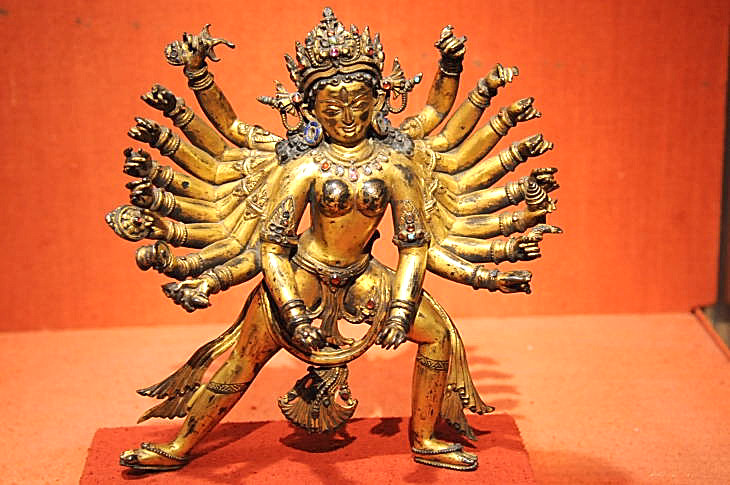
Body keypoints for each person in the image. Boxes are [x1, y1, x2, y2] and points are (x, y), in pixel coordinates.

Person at [109, 8, 560, 472]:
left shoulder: (395, 166)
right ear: (310, 111)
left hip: (363, 276)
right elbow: (273, 248)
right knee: (243, 359)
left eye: (358, 104)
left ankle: (425, 437)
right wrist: (291, 310)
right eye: (331, 109)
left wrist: (402, 308)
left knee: (436, 334)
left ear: (378, 101)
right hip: (301, 275)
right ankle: (179, 445)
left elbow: (413, 245)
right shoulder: (303, 168)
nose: (347, 117)